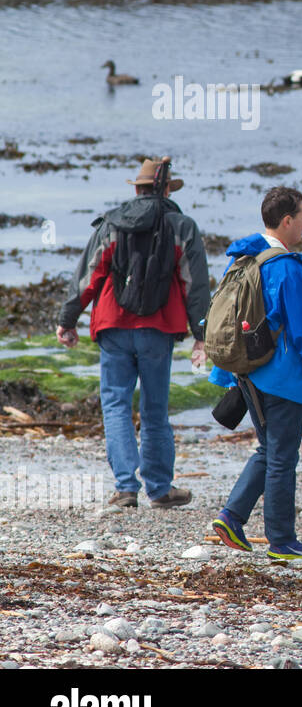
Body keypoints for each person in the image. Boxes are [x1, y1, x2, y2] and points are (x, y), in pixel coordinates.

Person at [55, 156, 209, 509]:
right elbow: (194, 285)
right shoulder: (182, 226)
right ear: (165, 188)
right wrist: (201, 332)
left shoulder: (112, 224)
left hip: (114, 327)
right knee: (156, 409)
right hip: (158, 329)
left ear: (137, 189)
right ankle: (159, 488)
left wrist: (68, 318)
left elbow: (89, 275)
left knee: (115, 404)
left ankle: (125, 489)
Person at [209, 187, 302, 561]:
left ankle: (231, 516)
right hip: (280, 376)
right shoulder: (285, 266)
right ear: (287, 221)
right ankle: (282, 541)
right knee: (282, 457)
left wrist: (225, 373)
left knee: (270, 449)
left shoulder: (242, 257)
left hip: (247, 371)